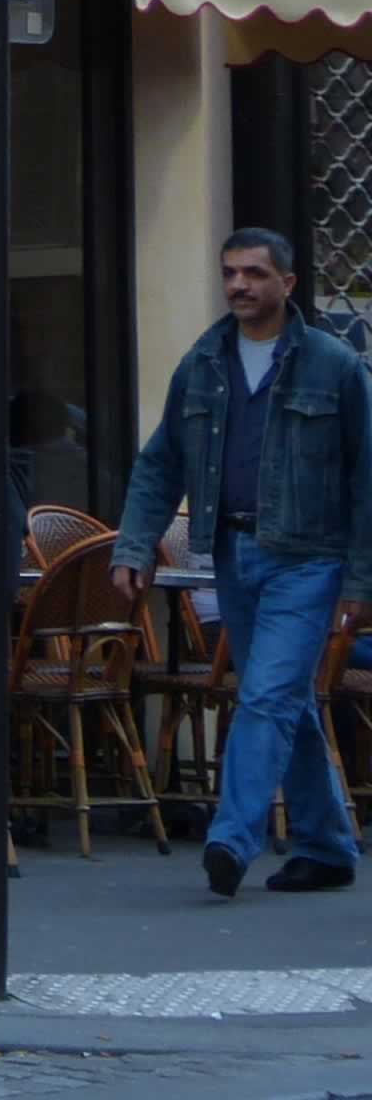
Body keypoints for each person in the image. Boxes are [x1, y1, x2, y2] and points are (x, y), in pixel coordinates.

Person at [113, 225, 372, 897]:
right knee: (283, 699)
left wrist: (360, 578)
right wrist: (135, 544)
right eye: (229, 272)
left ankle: (231, 839)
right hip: (231, 553)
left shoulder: (335, 365)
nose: (238, 285)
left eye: (254, 273)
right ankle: (325, 845)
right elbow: (160, 463)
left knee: (265, 695)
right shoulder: (203, 362)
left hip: (308, 558)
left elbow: (366, 478)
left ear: (287, 282)